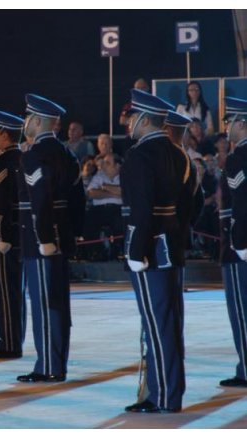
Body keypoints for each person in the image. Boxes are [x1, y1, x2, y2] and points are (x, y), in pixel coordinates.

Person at [120, 89, 189, 414]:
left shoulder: (140, 155)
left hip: (149, 249)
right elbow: (191, 202)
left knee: (156, 323)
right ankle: (170, 390)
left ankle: (162, 396)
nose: (130, 122)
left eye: (133, 116)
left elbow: (142, 208)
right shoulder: (178, 154)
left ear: (145, 119)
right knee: (170, 323)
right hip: (171, 244)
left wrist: (136, 249)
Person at [17, 94, 85, 384]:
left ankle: (49, 365)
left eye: (27, 119)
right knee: (58, 302)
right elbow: (79, 198)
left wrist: (44, 236)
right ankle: (57, 361)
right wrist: (73, 231)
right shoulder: (67, 153)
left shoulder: (36, 154)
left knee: (45, 304)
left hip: (42, 238)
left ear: (35, 121)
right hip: (62, 234)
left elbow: (41, 198)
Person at [0, 110, 27, 359]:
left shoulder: (1, 163)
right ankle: (14, 338)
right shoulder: (23, 159)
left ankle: (9, 342)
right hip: (21, 235)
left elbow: (1, 204)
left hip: (6, 238)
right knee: (16, 289)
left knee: (6, 291)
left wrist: (2, 236)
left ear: (5, 135)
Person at [218, 96, 247, 388]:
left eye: (230, 122)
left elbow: (241, 204)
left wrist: (239, 243)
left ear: (242, 123)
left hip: (240, 246)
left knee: (241, 310)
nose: (226, 127)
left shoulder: (238, 158)